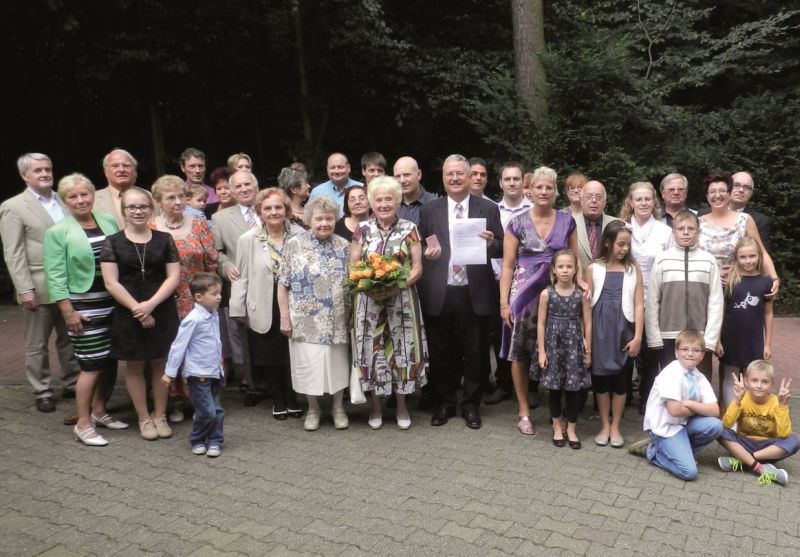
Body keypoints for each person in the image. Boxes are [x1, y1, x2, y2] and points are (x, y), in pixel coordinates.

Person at [417, 154, 504, 430]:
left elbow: (502, 246)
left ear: (469, 177)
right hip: (441, 290)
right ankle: (444, 403)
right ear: (443, 178)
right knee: (442, 351)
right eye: (449, 174)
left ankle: (470, 405)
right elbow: (417, 246)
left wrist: (491, 244)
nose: (454, 178)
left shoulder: (487, 209)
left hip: (473, 291)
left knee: (476, 352)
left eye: (459, 174)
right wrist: (426, 253)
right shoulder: (430, 210)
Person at [43, 173, 126, 445]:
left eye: (84, 194)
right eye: (73, 196)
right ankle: (83, 422)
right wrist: (68, 312)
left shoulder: (108, 221)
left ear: (93, 195)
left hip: (112, 301)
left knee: (110, 359)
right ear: (65, 201)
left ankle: (100, 411)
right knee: (91, 364)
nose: (80, 200)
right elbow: (55, 276)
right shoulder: (58, 232)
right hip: (83, 305)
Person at [499, 166, 581, 435]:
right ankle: (523, 411)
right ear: (529, 191)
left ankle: (558, 412)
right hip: (523, 295)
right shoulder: (517, 222)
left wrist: (582, 282)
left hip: (559, 291)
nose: (544, 192)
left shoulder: (567, 221)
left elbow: (575, 259)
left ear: (555, 191)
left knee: (558, 346)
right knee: (520, 351)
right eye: (539, 187)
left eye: (549, 187)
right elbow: (508, 266)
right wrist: (503, 303)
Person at [1, 153, 80, 412]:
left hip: (69, 283)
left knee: (69, 337)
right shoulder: (13, 206)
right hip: (38, 284)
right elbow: (13, 252)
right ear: (25, 176)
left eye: (48, 169)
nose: (45, 174)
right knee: (37, 343)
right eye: (38, 171)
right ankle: (42, 389)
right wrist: (24, 288)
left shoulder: (65, 200)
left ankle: (72, 382)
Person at [100, 187, 180, 441]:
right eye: (131, 207)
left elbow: (174, 277)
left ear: (151, 209)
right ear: (123, 211)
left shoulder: (164, 239)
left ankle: (160, 416)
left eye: (143, 206)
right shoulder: (112, 242)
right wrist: (138, 308)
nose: (137, 211)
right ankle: (144, 418)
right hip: (127, 311)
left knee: (159, 363)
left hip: (161, 308)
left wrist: (150, 305)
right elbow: (111, 283)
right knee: (134, 366)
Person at [350, 176, 428, 430]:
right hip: (368, 303)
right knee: (372, 351)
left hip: (402, 302)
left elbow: (417, 268)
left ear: (397, 201)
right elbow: (353, 266)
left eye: (389, 199)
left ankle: (402, 406)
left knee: (402, 350)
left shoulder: (410, 229)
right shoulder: (361, 230)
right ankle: (375, 407)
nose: (384, 204)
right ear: (372, 203)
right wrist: (368, 286)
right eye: (379, 199)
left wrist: (396, 286)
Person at [278, 196, 351, 431]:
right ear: (309, 219)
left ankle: (338, 407)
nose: (324, 223)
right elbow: (283, 284)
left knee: (337, 365)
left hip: (338, 318)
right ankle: (313, 409)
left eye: (329, 218)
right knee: (309, 365)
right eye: (319, 218)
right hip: (306, 320)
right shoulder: (293, 244)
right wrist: (284, 317)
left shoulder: (344, 246)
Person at [230, 188, 303, 419]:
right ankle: (278, 399)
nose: (273, 212)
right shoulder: (247, 239)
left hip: (294, 303)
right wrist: (237, 308)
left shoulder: (301, 236)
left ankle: (293, 397)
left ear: (286, 210)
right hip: (262, 303)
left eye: (278, 207)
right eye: (268, 208)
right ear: (260, 212)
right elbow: (241, 276)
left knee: (292, 354)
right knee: (270, 356)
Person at [151, 175, 218, 422]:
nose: (178, 202)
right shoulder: (151, 227)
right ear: (159, 201)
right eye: (171, 197)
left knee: (200, 349)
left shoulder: (199, 224)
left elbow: (211, 260)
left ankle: (205, 400)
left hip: (197, 300)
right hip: (167, 301)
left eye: (181, 196)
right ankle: (176, 402)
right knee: (173, 349)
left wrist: (210, 295)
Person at [628, 330, 723, 480]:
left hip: (682, 424)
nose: (690, 354)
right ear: (676, 352)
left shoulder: (698, 376)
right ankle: (653, 451)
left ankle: (680, 451)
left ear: (702, 355)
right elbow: (675, 410)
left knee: (715, 425)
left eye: (696, 350)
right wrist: (698, 407)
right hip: (665, 428)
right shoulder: (671, 373)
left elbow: (715, 410)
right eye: (685, 349)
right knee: (689, 472)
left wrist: (689, 403)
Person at [645, 210, 723, 382]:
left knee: (699, 381)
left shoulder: (708, 261)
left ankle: (697, 410)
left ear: (698, 232)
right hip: (668, 336)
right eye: (681, 228)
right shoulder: (662, 260)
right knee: (671, 383)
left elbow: (716, 302)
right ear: (673, 232)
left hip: (700, 336)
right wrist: (654, 336)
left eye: (691, 228)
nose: (686, 232)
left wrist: (710, 339)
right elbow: (652, 301)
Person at [585, 221, 644, 448]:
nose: (624, 249)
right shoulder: (593, 268)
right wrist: (587, 341)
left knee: (621, 381)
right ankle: (604, 425)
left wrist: (638, 336)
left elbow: (639, 305)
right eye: (620, 244)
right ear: (608, 243)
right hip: (600, 331)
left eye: (627, 245)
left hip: (623, 329)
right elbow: (587, 307)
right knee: (600, 380)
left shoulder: (633, 269)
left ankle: (616, 425)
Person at [619, 181, 674, 413]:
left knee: (651, 351)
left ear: (654, 202)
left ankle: (646, 397)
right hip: (622, 297)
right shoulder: (620, 228)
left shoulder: (665, 232)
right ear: (630, 202)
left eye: (647, 199)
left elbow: (669, 266)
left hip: (654, 299)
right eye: (638, 199)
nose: (643, 203)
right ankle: (623, 396)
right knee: (622, 347)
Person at [163, 273, 226, 458]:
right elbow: (178, 347)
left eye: (220, 293)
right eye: (214, 294)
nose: (219, 297)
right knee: (207, 411)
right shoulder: (193, 319)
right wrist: (170, 373)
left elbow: (215, 341)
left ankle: (215, 440)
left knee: (217, 410)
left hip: (215, 372)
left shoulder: (213, 315)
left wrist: (219, 358)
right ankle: (197, 439)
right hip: (198, 375)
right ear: (199, 297)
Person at [485, 162, 532, 405]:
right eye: (507, 179)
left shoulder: (534, 209)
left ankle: (530, 387)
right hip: (497, 279)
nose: (512, 183)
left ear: (523, 181)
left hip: (528, 282)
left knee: (529, 333)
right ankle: (504, 383)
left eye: (516, 179)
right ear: (500, 183)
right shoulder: (493, 211)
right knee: (500, 332)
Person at [534, 250, 591, 449]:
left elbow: (587, 322)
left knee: (573, 391)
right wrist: (542, 351)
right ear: (554, 270)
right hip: (553, 347)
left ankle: (572, 429)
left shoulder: (580, 294)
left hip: (574, 347)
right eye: (561, 266)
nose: (565, 270)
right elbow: (541, 323)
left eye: (569, 266)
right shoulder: (546, 294)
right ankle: (557, 427)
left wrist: (588, 348)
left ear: (576, 270)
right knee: (555, 389)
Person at [212, 170, 260, 401]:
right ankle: (252, 384)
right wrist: (226, 266)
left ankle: (278, 382)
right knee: (244, 335)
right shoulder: (220, 218)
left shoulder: (269, 207)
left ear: (255, 186)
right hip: (240, 282)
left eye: (247, 184)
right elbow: (218, 252)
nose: (243, 189)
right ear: (231, 190)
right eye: (238, 186)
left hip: (271, 282)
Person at [717, 360, 797, 486]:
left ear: (772, 384)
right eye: (754, 381)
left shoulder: (776, 402)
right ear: (747, 381)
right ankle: (762, 468)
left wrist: (783, 406)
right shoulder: (743, 398)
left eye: (764, 382)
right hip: (744, 442)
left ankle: (743, 460)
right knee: (718, 428)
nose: (759, 385)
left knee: (794, 439)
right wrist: (737, 401)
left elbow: (784, 433)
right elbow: (727, 424)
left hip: (767, 447)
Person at [698, 171, 777, 291]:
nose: (717, 195)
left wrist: (774, 278)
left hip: (738, 286)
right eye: (712, 192)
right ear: (707, 196)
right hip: (704, 286)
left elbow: (762, 253)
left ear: (729, 194)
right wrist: (711, 273)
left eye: (722, 191)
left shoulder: (745, 220)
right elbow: (690, 257)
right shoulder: (698, 222)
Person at [717, 238, 773, 408]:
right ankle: (731, 422)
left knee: (752, 378)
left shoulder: (766, 281)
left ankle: (747, 417)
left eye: (752, 256)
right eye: (743, 257)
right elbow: (720, 311)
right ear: (736, 258)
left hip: (754, 339)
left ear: (759, 257)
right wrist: (718, 340)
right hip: (731, 338)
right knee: (730, 377)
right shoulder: (729, 281)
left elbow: (769, 314)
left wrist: (768, 344)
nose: (748, 261)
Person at [573, 180, 621, 271]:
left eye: (598, 197)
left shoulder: (618, 225)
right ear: (581, 200)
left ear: (605, 201)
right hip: (578, 282)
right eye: (589, 196)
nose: (594, 200)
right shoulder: (569, 224)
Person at [94, 149, 139, 228]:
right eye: (115, 166)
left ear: (134, 171)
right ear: (106, 172)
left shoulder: (150, 197)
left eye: (126, 165)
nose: (121, 170)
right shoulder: (93, 200)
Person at [730, 171, 770, 248]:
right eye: (736, 185)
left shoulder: (760, 221)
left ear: (751, 193)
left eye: (747, 187)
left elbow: (762, 254)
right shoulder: (704, 215)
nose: (741, 190)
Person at [394, 156, 437, 226]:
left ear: (419, 175)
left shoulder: (434, 204)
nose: (402, 181)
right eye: (398, 176)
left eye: (406, 175)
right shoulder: (391, 204)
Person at [180, 148, 218, 217]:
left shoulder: (214, 192)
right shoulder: (178, 193)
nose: (197, 170)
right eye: (192, 166)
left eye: (201, 166)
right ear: (183, 167)